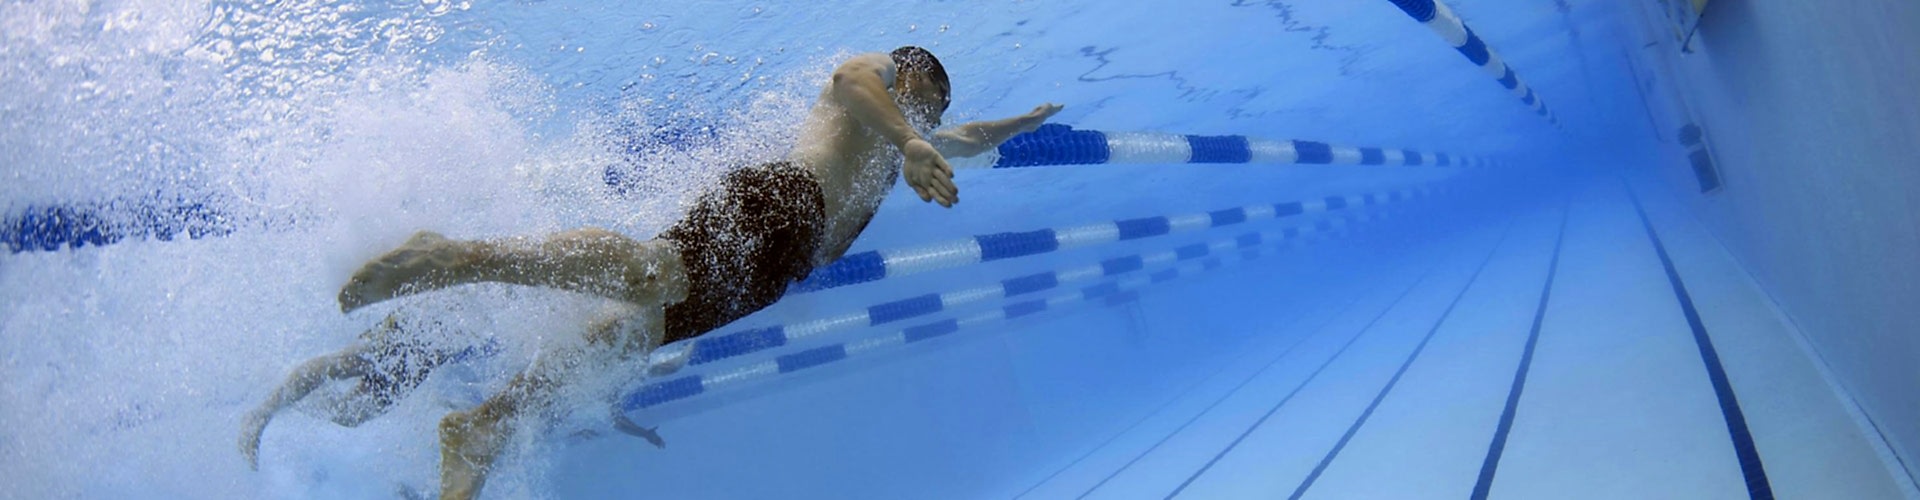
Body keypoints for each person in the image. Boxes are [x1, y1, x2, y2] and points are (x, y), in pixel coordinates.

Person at [287, 46, 1061, 499]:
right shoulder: (880, 83)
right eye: (927, 105)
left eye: (931, 118)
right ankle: (454, 257)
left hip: (777, 268)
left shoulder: (902, 148)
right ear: (910, 79)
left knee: (625, 335)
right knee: (651, 275)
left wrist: (1018, 124)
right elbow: (849, 83)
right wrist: (911, 138)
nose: (927, 123)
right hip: (780, 202)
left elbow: (962, 138)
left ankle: (484, 424)